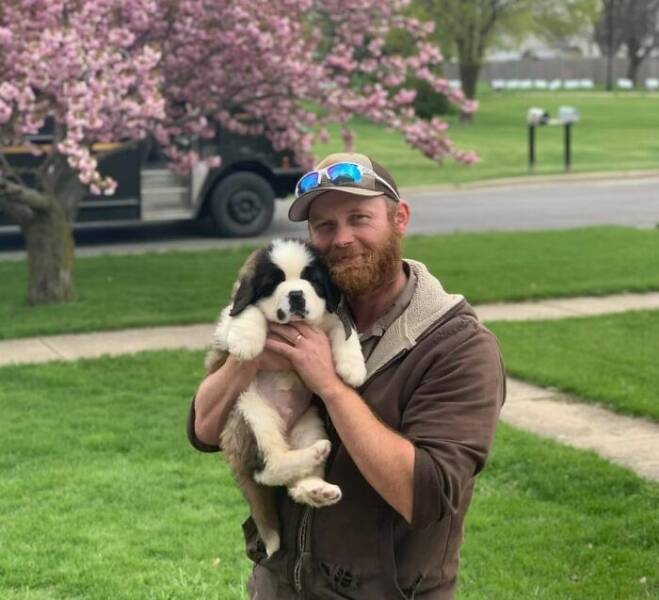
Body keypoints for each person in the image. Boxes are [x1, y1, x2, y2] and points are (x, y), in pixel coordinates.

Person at [187, 153, 506, 599]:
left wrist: (331, 387)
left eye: (359, 218)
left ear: (400, 218)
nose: (341, 239)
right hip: (279, 587)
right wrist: (248, 360)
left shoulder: (457, 346)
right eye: (324, 226)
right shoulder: (301, 309)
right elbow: (204, 430)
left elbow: (427, 497)